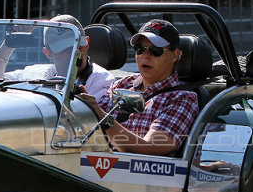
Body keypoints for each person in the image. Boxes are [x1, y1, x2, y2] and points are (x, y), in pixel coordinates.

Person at [78, 18, 198, 156]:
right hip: (97, 165)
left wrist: (101, 116)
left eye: (155, 50)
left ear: (174, 55)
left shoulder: (182, 98)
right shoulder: (123, 83)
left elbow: (150, 148)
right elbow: (87, 128)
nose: (145, 56)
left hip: (144, 175)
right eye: (140, 49)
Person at [0, 14, 115, 100]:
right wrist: (9, 44)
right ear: (48, 53)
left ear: (87, 44)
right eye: (65, 49)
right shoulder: (37, 73)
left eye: (77, 45)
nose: (74, 52)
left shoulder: (103, 82)